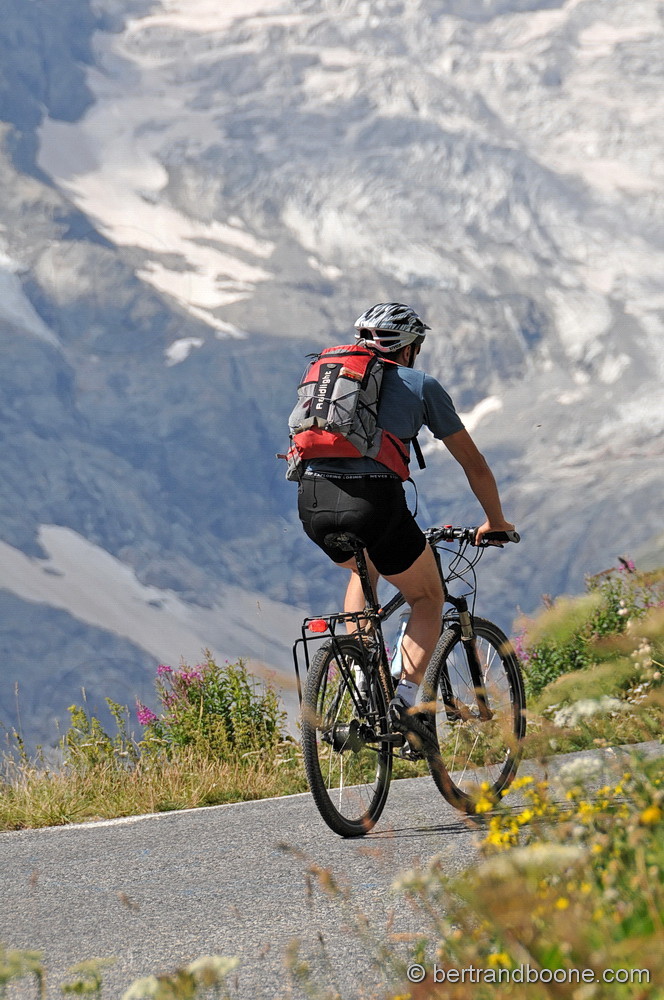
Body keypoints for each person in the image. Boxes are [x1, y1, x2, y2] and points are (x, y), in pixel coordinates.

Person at [296, 302, 516, 746]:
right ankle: (404, 703)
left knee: (365, 566)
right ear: (409, 348)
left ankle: (361, 678)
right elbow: (473, 463)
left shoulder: (329, 378)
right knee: (428, 596)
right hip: (375, 503)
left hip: (312, 501)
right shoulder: (419, 385)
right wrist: (495, 520)